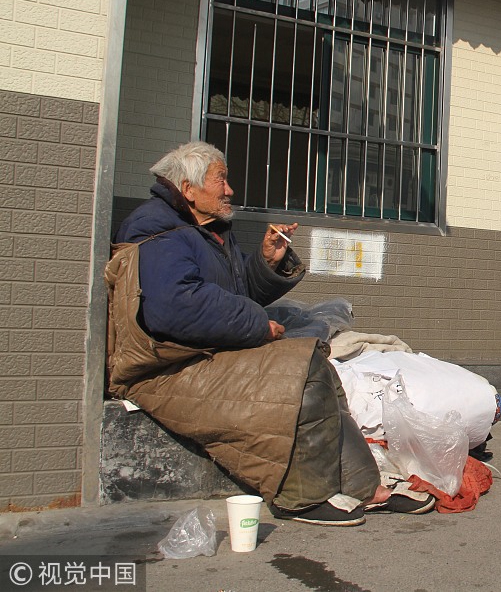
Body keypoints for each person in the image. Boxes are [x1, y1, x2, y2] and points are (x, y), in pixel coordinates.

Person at [107, 142, 433, 526]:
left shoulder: (206, 229)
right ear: (188, 189)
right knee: (297, 374)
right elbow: (175, 307)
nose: (229, 189)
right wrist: (257, 324)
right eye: (221, 180)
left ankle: (364, 486)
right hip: (166, 367)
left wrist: (265, 261)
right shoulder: (155, 227)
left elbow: (235, 293)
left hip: (206, 351)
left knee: (316, 364)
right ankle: (303, 498)